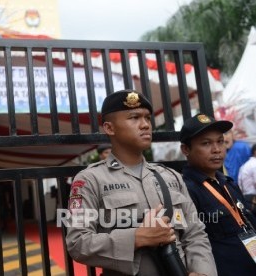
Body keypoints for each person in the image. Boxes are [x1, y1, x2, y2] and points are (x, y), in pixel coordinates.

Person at [65, 90, 216, 276]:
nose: (145, 125)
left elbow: (195, 233)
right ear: (109, 128)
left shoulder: (171, 177)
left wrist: (203, 272)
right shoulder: (90, 180)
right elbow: (78, 243)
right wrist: (135, 238)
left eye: (147, 118)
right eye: (134, 117)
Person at [180, 114, 256, 276]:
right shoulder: (186, 190)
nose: (217, 149)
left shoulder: (227, 183)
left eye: (220, 141)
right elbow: (187, 242)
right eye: (206, 143)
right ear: (186, 149)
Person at [238, 144, 256, 213]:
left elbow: (239, 184)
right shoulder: (254, 164)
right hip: (253, 198)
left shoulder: (244, 165)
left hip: (245, 198)